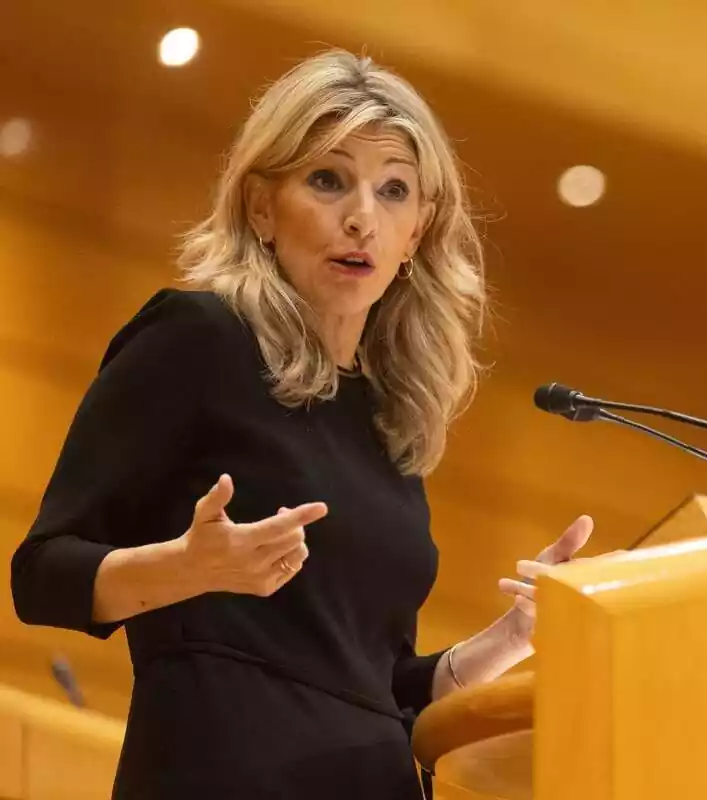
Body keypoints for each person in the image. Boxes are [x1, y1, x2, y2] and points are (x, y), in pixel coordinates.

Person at [9, 49, 591, 799]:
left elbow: (371, 684)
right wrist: (188, 566)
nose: (361, 217)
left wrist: (508, 641)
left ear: (416, 234)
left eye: (393, 192)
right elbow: (42, 575)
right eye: (328, 180)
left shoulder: (390, 417)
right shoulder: (199, 339)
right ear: (260, 205)